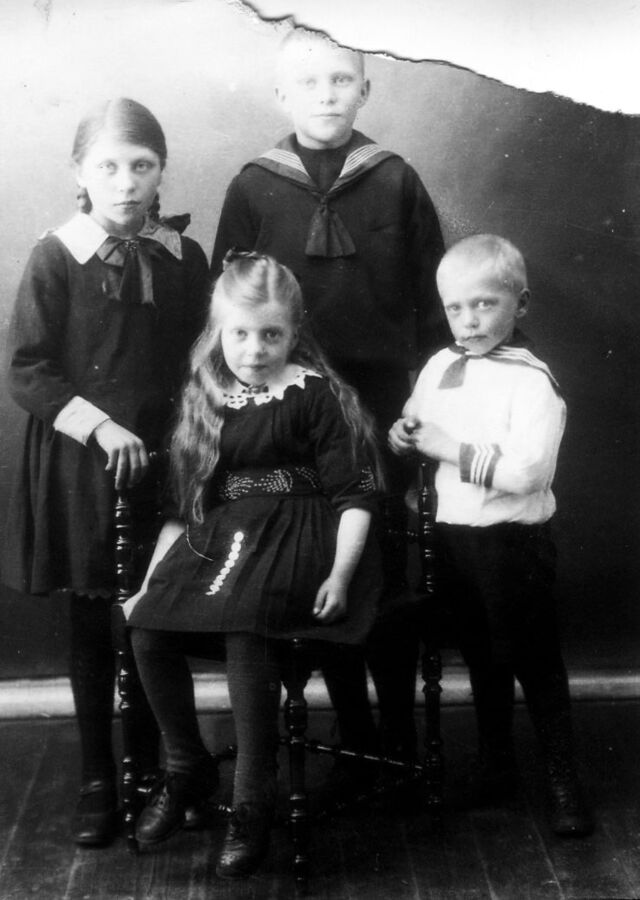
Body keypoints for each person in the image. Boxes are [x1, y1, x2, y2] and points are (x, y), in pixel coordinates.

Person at [211, 26, 446, 765]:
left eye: (342, 80)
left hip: (379, 402)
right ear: (282, 94)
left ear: (365, 91)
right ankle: (353, 727)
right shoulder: (253, 184)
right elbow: (227, 307)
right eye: (309, 83)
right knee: (315, 555)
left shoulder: (396, 179)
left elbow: (434, 309)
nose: (326, 95)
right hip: (288, 404)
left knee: (381, 560)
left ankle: (393, 734)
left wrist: (422, 400)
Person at [124, 252, 382, 878]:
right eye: (239, 333)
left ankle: (251, 801)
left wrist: (341, 574)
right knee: (146, 627)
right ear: (218, 331)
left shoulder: (313, 394)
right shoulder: (209, 399)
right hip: (224, 539)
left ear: (294, 333)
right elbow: (183, 511)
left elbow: (355, 497)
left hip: (303, 536)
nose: (255, 349)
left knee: (249, 621)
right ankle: (186, 767)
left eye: (271, 334)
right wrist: (148, 587)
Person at [1, 98, 210, 846]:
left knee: (151, 618)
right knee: (95, 622)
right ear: (80, 173)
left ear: (161, 172)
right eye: (109, 166)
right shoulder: (57, 255)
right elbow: (27, 369)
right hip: (84, 463)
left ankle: (159, 771)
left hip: (164, 462)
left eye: (142, 166)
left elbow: (202, 357)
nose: (126, 182)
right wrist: (100, 426)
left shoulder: (184, 257)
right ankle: (99, 777)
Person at [389, 233, 593, 836]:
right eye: (456, 308)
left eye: (485, 304)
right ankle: (496, 764)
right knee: (481, 656)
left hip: (510, 543)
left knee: (533, 658)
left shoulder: (531, 380)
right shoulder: (440, 365)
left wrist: (449, 449)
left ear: (520, 304)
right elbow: (417, 418)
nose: (469, 320)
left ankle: (562, 777)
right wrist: (403, 434)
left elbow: (529, 473)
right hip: (451, 539)